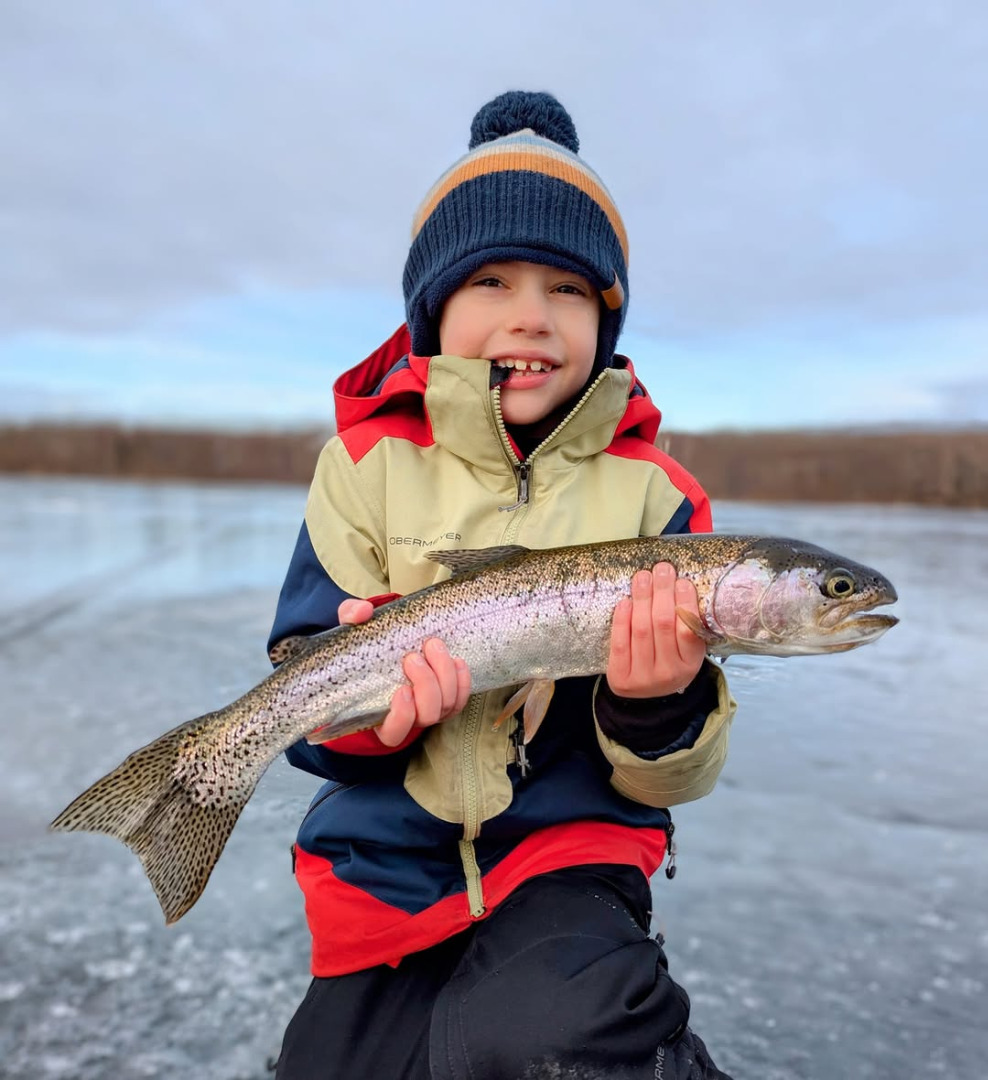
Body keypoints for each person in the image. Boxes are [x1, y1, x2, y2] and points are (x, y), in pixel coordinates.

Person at [269, 91, 737, 1080]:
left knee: (550, 1039)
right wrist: (377, 719)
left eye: (568, 289)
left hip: (571, 857)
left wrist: (658, 706)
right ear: (433, 306)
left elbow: (671, 779)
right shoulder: (363, 464)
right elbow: (310, 698)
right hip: (381, 867)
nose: (530, 315)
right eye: (490, 280)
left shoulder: (660, 497)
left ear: (605, 319)